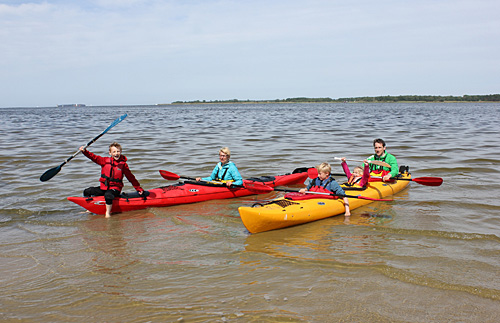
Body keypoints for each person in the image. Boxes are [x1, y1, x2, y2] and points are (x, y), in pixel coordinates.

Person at [79, 142, 144, 218]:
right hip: (104, 187)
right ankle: (89, 209)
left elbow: (131, 177)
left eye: (118, 151)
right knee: (87, 191)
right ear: (110, 153)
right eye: (114, 152)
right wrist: (84, 151)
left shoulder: (123, 165)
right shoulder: (104, 161)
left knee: (108, 195)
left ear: (121, 152)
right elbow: (93, 157)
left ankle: (108, 213)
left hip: (115, 189)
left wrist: (138, 188)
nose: (116, 153)